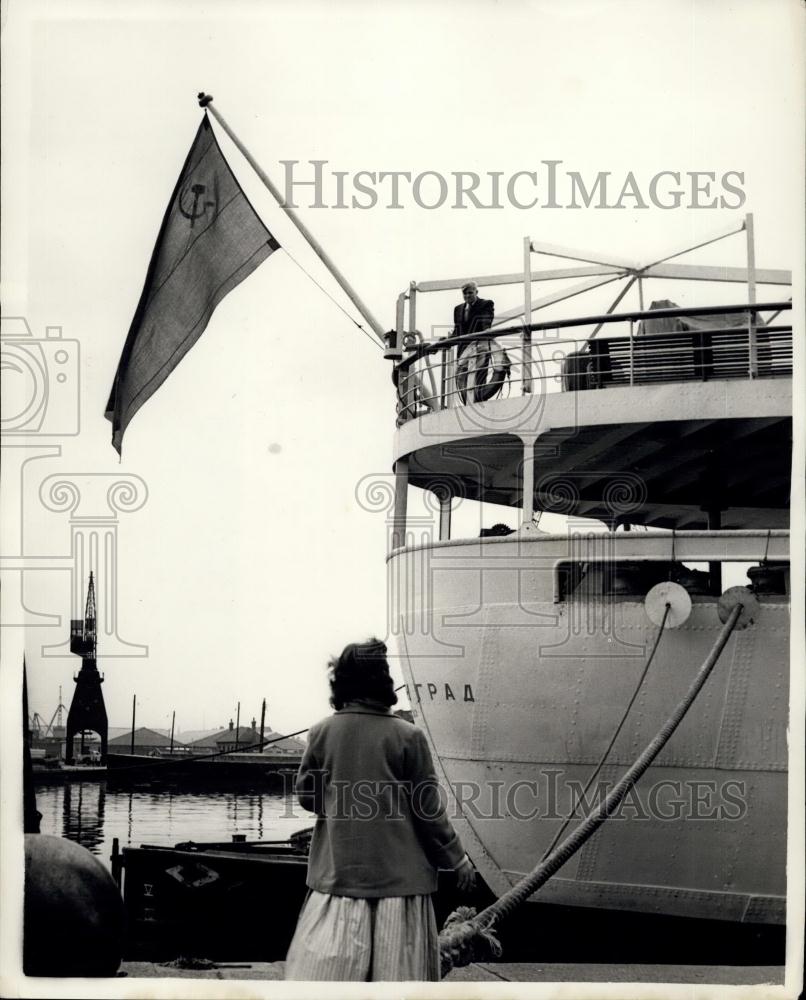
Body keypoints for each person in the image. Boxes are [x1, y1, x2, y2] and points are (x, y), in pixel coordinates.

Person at [284, 638, 474, 981]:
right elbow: (429, 812)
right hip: (400, 892)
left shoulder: (320, 733)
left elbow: (307, 797)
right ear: (383, 680)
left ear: (339, 681)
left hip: (337, 885)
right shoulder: (408, 737)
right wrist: (457, 860)